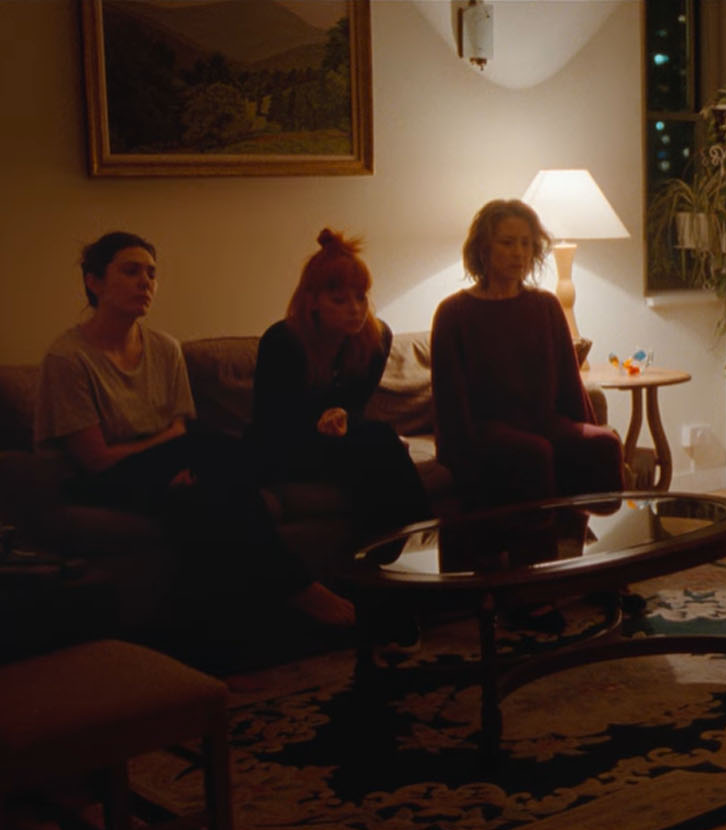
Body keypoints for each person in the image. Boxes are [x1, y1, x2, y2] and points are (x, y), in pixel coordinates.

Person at [33, 231, 355, 628]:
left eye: (151, 274)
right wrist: (170, 454)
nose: (145, 282)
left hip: (169, 464)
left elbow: (179, 431)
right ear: (94, 282)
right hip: (98, 480)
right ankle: (299, 588)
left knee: (204, 498)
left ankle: (227, 629)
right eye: (131, 272)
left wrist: (176, 460)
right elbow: (96, 458)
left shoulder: (165, 348)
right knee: (211, 447)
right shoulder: (68, 358)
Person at [430, 199, 623, 507]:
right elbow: (449, 400)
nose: (519, 252)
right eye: (507, 243)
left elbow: (569, 383)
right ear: (484, 249)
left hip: (543, 422)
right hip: (485, 430)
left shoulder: (546, 305)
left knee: (604, 443)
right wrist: (459, 456)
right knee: (534, 453)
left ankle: (588, 534)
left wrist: (587, 428)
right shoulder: (454, 313)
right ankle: (539, 535)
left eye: (526, 243)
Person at [249, 228, 431, 541]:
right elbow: (271, 421)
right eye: (339, 300)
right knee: (376, 444)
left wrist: (342, 417)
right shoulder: (282, 341)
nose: (355, 309)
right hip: (284, 443)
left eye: (361, 297)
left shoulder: (376, 339)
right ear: (313, 302)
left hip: (340, 439)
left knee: (378, 442)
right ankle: (399, 545)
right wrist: (320, 421)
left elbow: (355, 406)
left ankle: (411, 545)